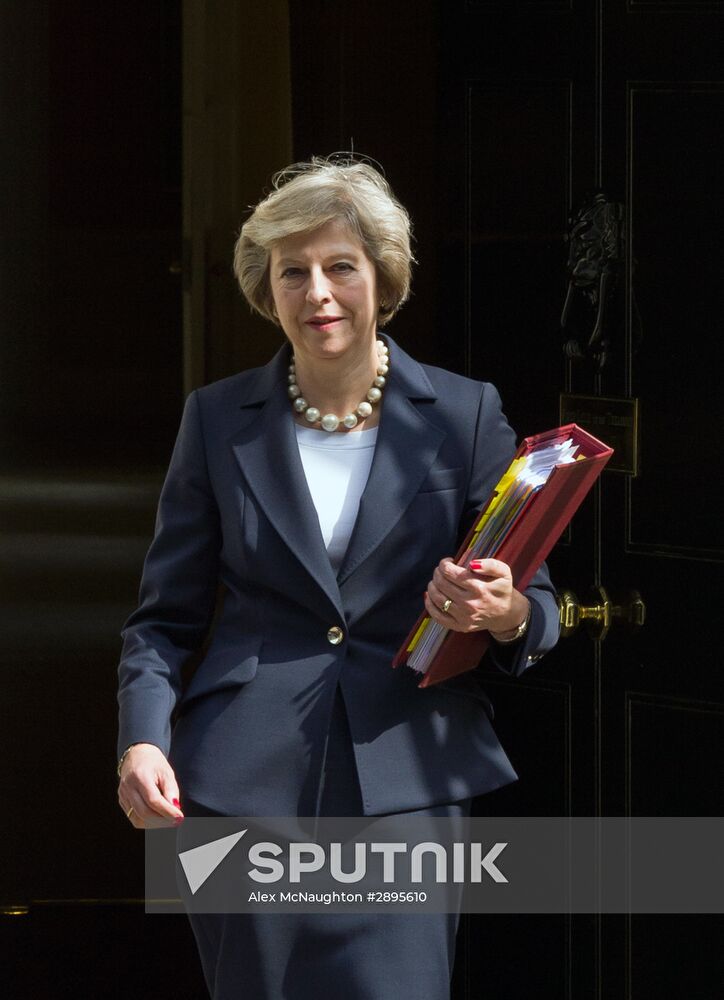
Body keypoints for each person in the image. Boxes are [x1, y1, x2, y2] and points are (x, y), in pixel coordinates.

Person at [116, 156, 560, 999]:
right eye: (294, 272)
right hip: (239, 779)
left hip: (408, 776)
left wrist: (503, 612)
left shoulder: (466, 415)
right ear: (268, 289)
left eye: (340, 267)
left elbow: (533, 603)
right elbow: (162, 621)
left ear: (382, 279)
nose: (318, 292)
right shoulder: (215, 420)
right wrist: (142, 738)